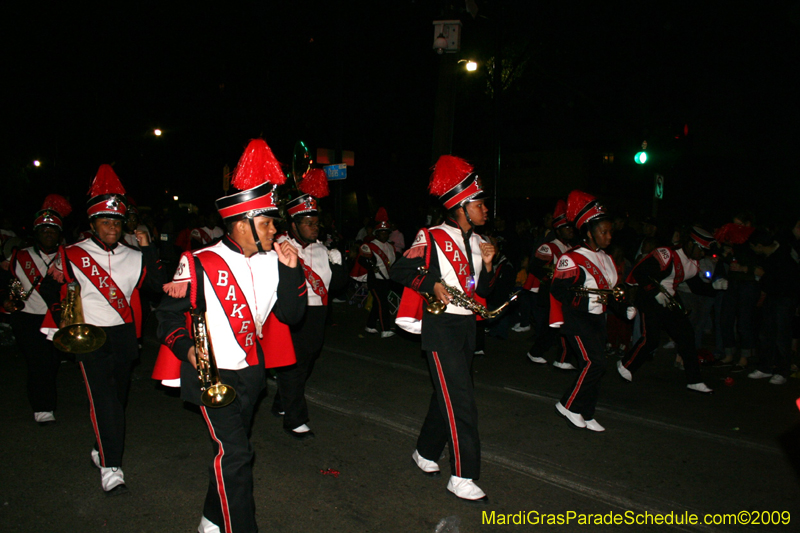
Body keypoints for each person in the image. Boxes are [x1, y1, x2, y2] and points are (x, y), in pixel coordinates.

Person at [154, 139, 307, 533]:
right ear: (242, 224)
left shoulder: (277, 260)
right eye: (268, 221)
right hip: (211, 375)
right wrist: (188, 351)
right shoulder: (199, 262)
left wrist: (291, 271)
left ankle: (211, 516)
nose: (276, 228)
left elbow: (292, 315)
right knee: (238, 453)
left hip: (251, 373)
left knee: (229, 453)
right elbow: (167, 319)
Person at [44, 165, 163, 495]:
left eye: (117, 221)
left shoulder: (134, 255)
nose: (112, 226)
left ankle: (102, 445)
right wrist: (61, 321)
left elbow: (157, 287)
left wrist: (149, 246)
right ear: (93, 223)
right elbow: (53, 291)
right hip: (90, 337)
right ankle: (112, 466)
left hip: (124, 335)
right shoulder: (72, 255)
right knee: (104, 400)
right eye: (105, 221)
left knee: (118, 398)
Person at [392, 155, 496, 503]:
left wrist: (490, 266)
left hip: (466, 327)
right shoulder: (432, 236)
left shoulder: (480, 244)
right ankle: (463, 475)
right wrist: (430, 282)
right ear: (462, 208)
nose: (485, 209)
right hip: (440, 326)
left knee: (448, 395)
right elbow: (400, 270)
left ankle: (424, 452)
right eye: (479, 204)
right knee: (462, 400)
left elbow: (478, 288)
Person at [271, 169, 347, 440]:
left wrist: (339, 265)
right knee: (294, 365)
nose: (315, 227)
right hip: (290, 314)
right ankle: (295, 419)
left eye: (317, 223)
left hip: (317, 315)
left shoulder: (322, 250)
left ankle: (281, 402)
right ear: (293, 224)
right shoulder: (278, 248)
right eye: (309, 223)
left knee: (308, 361)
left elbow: (336, 287)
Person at [550, 190, 632, 432]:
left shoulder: (606, 259)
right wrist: (583, 299)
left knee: (600, 364)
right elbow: (558, 290)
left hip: (598, 318)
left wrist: (624, 307)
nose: (608, 236)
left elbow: (612, 290)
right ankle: (568, 404)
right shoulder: (572, 258)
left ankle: (586, 411)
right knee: (593, 363)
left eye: (610, 232)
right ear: (588, 232)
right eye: (603, 232)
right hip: (577, 318)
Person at [617, 226, 721, 393]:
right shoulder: (667, 254)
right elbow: (641, 273)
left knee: (687, 335)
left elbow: (696, 286)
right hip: (649, 297)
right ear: (690, 244)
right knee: (651, 338)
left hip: (669, 298)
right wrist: (655, 291)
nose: (702, 255)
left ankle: (694, 380)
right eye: (701, 250)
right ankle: (626, 364)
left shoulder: (693, 264)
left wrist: (714, 287)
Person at [3, 195, 71, 425]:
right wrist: (11, 300)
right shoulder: (20, 256)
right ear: (36, 233)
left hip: (58, 318)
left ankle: (42, 391)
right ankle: (43, 407)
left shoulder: (70, 256)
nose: (48, 234)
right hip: (29, 318)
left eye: (53, 231)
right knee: (38, 362)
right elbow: (16, 285)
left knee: (51, 361)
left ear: (59, 234)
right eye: (44, 230)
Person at [526, 199, 577, 368]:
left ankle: (556, 357)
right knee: (554, 327)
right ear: (559, 230)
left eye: (571, 228)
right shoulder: (549, 247)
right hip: (550, 294)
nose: (570, 231)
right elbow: (534, 267)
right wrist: (552, 275)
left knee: (556, 327)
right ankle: (538, 353)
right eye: (567, 228)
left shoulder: (571, 248)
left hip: (563, 295)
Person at [747, 228, 800, 385]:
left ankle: (782, 371)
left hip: (785, 299)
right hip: (772, 298)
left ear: (760, 245)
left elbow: (785, 281)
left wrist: (764, 276)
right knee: (765, 333)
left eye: (753, 246)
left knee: (781, 335)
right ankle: (765, 367)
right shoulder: (768, 257)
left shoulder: (784, 256)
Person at [355, 208, 396, 337]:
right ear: (377, 233)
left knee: (378, 303)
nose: (385, 235)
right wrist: (371, 266)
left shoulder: (390, 246)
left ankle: (370, 325)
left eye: (386, 232)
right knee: (383, 303)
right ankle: (385, 329)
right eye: (382, 232)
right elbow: (362, 260)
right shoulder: (370, 245)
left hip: (386, 279)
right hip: (375, 280)